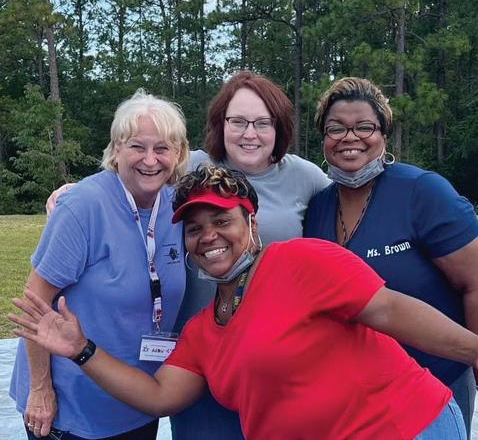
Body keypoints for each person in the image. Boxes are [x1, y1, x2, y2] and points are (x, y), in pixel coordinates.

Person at [9, 165, 478, 440]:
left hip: (405, 427)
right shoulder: (204, 331)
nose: (208, 236)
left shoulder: (301, 260)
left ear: (251, 225)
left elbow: (391, 310)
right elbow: (158, 397)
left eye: (222, 221)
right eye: (194, 228)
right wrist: (81, 350)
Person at [45, 70, 331, 440]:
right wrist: (74, 190)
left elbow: (345, 214)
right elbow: (136, 167)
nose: (250, 133)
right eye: (238, 121)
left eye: (263, 122)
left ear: (279, 127)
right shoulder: (192, 165)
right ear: (220, 124)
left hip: (272, 351)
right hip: (198, 352)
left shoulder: (305, 177)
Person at [9, 89, 189, 439]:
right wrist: (40, 389)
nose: (150, 160)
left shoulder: (178, 206)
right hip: (72, 409)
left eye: (162, 148)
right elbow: (35, 303)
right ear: (116, 149)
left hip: (138, 400)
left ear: (178, 153)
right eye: (137, 146)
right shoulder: (83, 206)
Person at [304, 76, 478, 438]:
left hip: (435, 388)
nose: (350, 137)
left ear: (384, 134)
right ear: (324, 139)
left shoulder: (422, 192)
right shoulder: (319, 207)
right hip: (355, 394)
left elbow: (474, 282)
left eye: (364, 127)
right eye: (336, 128)